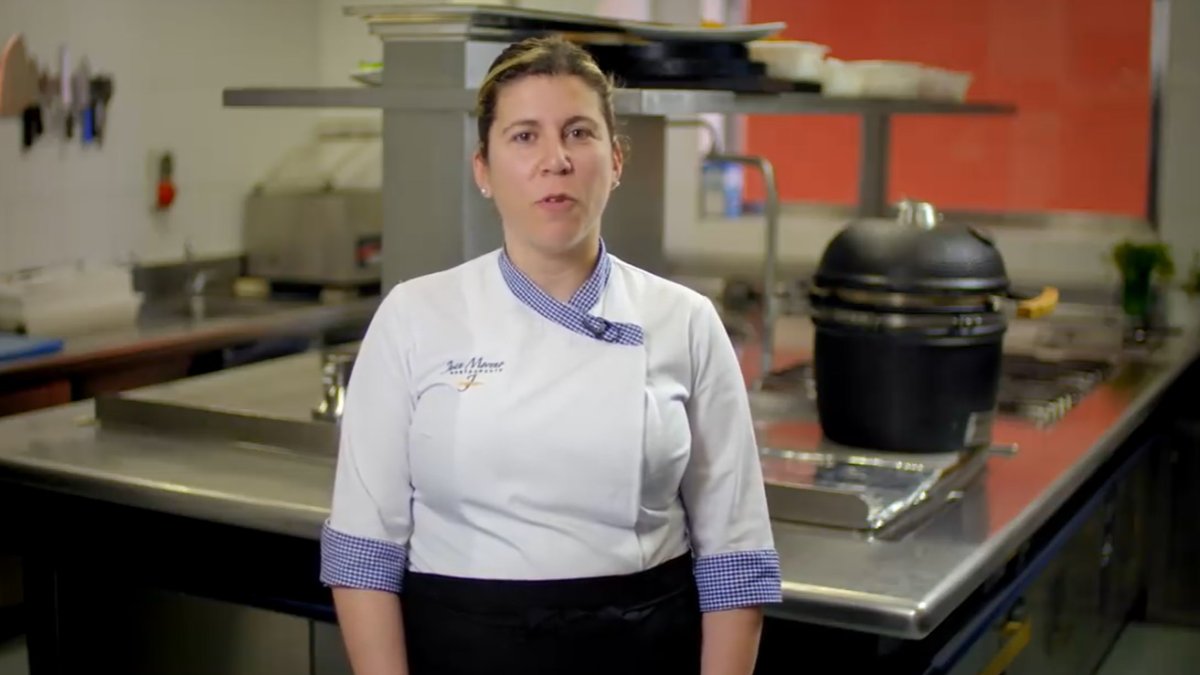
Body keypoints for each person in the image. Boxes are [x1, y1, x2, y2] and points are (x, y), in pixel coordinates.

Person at [319, 34, 781, 675]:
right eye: (524, 136)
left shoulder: (686, 322)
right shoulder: (414, 316)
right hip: (460, 648)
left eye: (579, 133)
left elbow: (737, 558)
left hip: (641, 648)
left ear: (616, 160)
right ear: (483, 169)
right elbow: (364, 551)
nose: (555, 160)